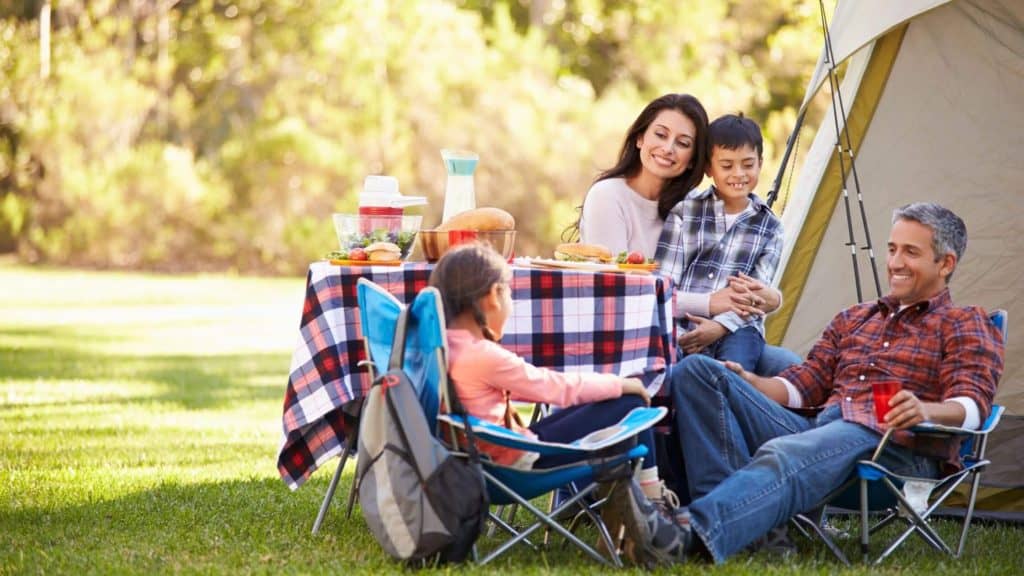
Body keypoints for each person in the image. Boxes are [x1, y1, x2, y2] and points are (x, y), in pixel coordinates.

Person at [663, 202, 1004, 563]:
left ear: (945, 263)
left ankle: (685, 534)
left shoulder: (966, 323)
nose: (896, 262)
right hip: (821, 428)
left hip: (893, 447)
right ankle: (753, 531)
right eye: (892, 249)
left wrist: (924, 410)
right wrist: (750, 382)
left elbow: (973, 404)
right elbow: (805, 384)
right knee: (697, 371)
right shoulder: (854, 318)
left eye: (911, 252)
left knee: (788, 451)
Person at [429, 242, 692, 565]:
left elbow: (534, 388)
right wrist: (619, 383)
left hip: (483, 458)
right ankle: (652, 509)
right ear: (492, 296)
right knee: (628, 399)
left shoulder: (444, 346)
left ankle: (637, 510)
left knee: (607, 401)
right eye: (510, 295)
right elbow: (552, 388)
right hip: (512, 466)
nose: (511, 304)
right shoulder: (481, 356)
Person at [655, 113, 783, 372]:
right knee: (677, 371)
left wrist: (720, 326)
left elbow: (756, 297)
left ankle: (728, 404)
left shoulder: (771, 228)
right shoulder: (686, 213)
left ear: (760, 162)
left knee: (730, 376)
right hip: (681, 325)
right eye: (727, 166)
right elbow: (662, 288)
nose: (739, 174)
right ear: (709, 168)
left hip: (737, 329)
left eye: (748, 164)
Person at [571, 93, 709, 258]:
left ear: (693, 159)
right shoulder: (607, 195)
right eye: (660, 135)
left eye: (683, 143)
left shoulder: (697, 207)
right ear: (640, 138)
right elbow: (613, 278)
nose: (668, 148)